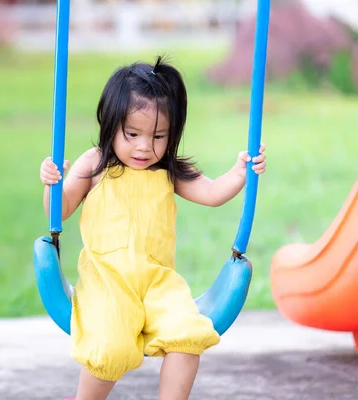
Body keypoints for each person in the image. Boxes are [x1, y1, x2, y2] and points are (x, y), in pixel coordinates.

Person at [39, 56, 267, 400]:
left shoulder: (168, 171)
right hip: (107, 282)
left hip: (159, 284)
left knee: (188, 335)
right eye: (132, 134)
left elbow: (213, 193)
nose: (145, 146)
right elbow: (62, 208)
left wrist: (241, 171)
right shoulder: (95, 164)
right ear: (110, 123)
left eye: (158, 136)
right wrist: (51, 184)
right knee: (109, 347)